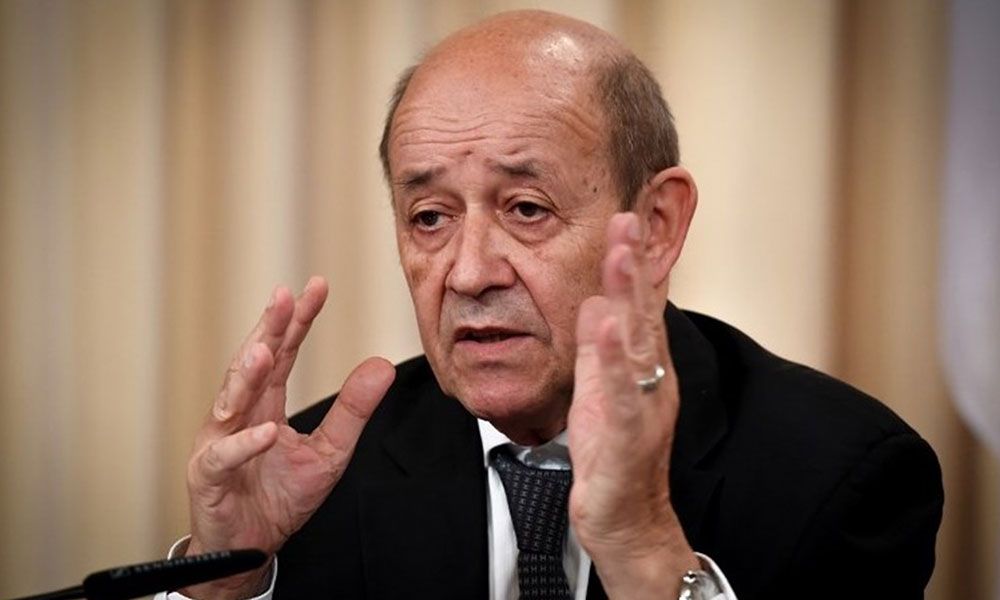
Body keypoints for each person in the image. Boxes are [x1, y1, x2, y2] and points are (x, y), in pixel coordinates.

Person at [160, 10, 943, 600]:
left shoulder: (841, 477)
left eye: (527, 209)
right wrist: (223, 581)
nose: (468, 273)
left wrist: (642, 547)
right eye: (429, 218)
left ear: (656, 225)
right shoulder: (308, 485)